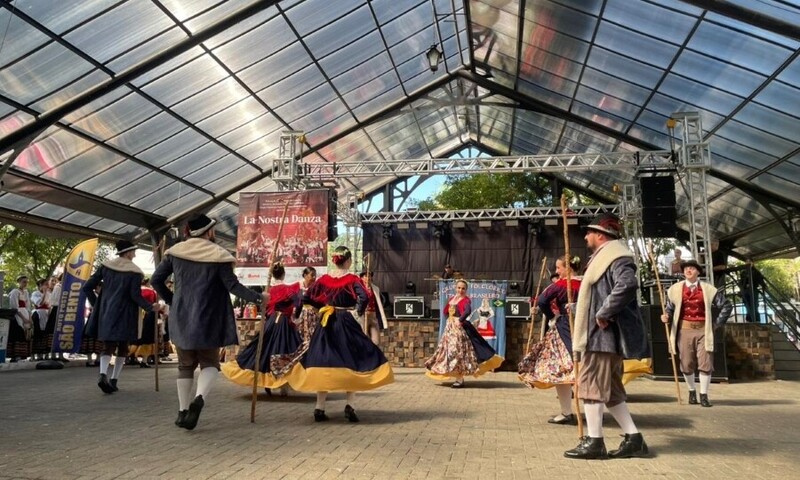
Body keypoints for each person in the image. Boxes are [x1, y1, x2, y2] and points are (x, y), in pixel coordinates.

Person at [151, 214, 266, 430]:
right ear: (210, 232)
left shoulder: (175, 254)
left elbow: (155, 280)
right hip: (209, 318)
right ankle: (199, 399)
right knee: (210, 363)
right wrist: (259, 298)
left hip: (182, 317)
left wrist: (172, 300)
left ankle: (182, 411)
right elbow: (233, 287)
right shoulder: (218, 255)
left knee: (185, 365)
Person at [564, 213, 650, 460]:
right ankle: (634, 439)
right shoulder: (605, 258)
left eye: (589, 233)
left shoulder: (617, 257)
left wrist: (603, 312)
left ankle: (595, 442)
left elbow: (627, 285)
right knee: (611, 391)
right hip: (602, 334)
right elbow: (603, 293)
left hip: (603, 336)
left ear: (600, 235)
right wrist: (579, 308)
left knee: (590, 385)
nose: (585, 236)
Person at [286, 246, 394, 423]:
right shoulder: (352, 279)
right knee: (352, 360)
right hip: (346, 321)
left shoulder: (325, 279)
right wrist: (357, 312)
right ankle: (350, 406)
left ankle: (319, 408)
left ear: (335, 260)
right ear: (349, 260)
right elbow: (365, 297)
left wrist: (321, 307)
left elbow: (306, 297)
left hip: (326, 323)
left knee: (323, 361)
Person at [83, 240, 161, 394]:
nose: (135, 254)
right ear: (127, 253)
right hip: (126, 313)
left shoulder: (106, 267)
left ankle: (103, 374)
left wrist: (97, 305)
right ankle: (114, 380)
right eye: (133, 251)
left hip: (107, 313)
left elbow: (87, 287)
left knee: (108, 346)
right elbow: (134, 295)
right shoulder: (134, 272)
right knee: (123, 347)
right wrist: (150, 307)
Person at [221, 261, 302, 397]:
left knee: (265, 350)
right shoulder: (289, 289)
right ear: (283, 274)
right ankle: (282, 384)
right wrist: (296, 316)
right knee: (286, 350)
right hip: (284, 323)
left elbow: (265, 309)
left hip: (270, 323)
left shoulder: (268, 291)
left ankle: (268, 381)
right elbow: (299, 302)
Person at [519, 254, 581, 425]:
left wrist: (552, 316)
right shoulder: (586, 284)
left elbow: (542, 300)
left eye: (558, 268)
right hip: (586, 330)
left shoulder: (560, 285)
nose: (556, 271)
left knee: (561, 371)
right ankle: (591, 408)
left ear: (567, 268)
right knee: (579, 368)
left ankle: (567, 412)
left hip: (563, 330)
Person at [662, 259, 732, 407]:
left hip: (703, 330)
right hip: (684, 329)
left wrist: (717, 324)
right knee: (686, 362)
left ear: (698, 272)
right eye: (686, 268)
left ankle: (704, 394)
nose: (688, 271)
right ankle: (691, 391)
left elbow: (726, 305)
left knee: (705, 362)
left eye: (692, 269)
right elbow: (669, 308)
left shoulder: (708, 289)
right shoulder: (675, 289)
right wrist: (666, 316)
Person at [425, 279, 503, 388]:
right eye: (459, 288)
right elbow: (446, 312)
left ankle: (459, 379)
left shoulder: (465, 300)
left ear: (466, 290)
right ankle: (448, 373)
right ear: (455, 288)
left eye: (463, 288)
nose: (460, 290)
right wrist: (450, 320)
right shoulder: (452, 299)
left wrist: (460, 320)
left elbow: (467, 311)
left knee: (457, 352)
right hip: (450, 329)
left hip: (458, 329)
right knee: (446, 352)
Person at [6, 275, 32, 362]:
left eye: (26, 282)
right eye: (24, 282)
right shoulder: (15, 292)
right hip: (17, 315)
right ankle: (15, 355)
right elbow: (14, 307)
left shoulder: (26, 292)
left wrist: (29, 317)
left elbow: (28, 306)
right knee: (17, 334)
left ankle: (22, 355)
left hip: (25, 314)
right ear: (19, 282)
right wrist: (23, 318)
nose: (25, 284)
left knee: (25, 334)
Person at [359, 271, 384, 345]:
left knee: (376, 341)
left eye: (369, 276)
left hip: (373, 315)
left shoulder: (375, 288)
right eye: (366, 276)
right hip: (363, 316)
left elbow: (380, 301)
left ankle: (374, 354)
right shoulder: (359, 289)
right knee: (364, 339)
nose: (368, 278)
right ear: (362, 278)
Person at [30, 278, 51, 360]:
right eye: (45, 284)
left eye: (47, 284)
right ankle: (34, 354)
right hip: (38, 314)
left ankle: (44, 353)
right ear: (40, 285)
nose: (47, 286)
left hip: (46, 314)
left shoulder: (49, 294)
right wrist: (45, 293)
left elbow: (49, 305)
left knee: (45, 334)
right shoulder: (35, 293)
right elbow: (40, 303)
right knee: (37, 333)